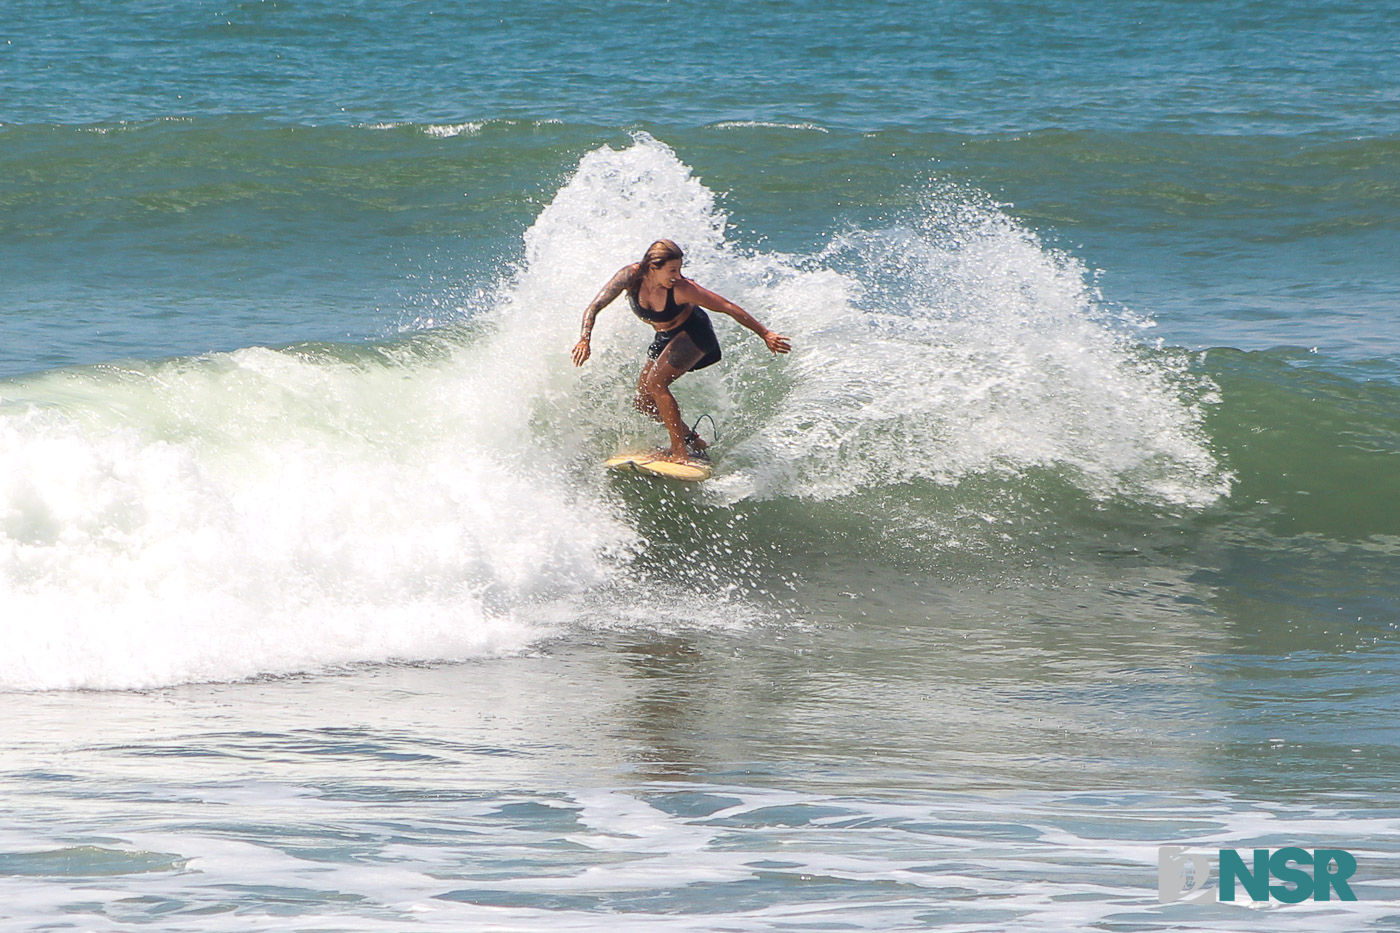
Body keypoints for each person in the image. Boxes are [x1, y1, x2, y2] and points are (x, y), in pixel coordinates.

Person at [572, 239, 791, 461]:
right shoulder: (630, 277)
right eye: (672, 270)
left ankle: (679, 453)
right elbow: (594, 307)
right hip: (666, 337)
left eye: (679, 269)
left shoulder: (683, 289)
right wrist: (584, 339)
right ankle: (693, 441)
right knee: (644, 402)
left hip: (694, 333)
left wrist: (765, 333)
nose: (677, 275)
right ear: (652, 267)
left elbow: (727, 307)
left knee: (656, 382)